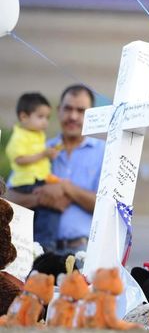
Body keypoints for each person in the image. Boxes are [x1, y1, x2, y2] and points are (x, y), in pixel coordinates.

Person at [4, 84, 105, 255]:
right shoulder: (38, 150)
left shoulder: (105, 152)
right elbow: (7, 198)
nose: (73, 116)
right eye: (68, 109)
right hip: (37, 250)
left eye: (81, 111)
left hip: (84, 252)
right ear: (58, 111)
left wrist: (66, 188)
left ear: (92, 115)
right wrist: (40, 198)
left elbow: (108, 207)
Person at [4, 92, 60, 251]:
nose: (45, 122)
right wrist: (43, 154)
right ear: (23, 116)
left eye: (47, 117)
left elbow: (38, 157)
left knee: (46, 211)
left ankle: (42, 243)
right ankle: (43, 244)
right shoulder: (19, 136)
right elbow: (19, 159)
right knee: (42, 212)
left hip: (38, 179)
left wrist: (48, 155)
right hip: (25, 183)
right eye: (40, 116)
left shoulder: (38, 135)